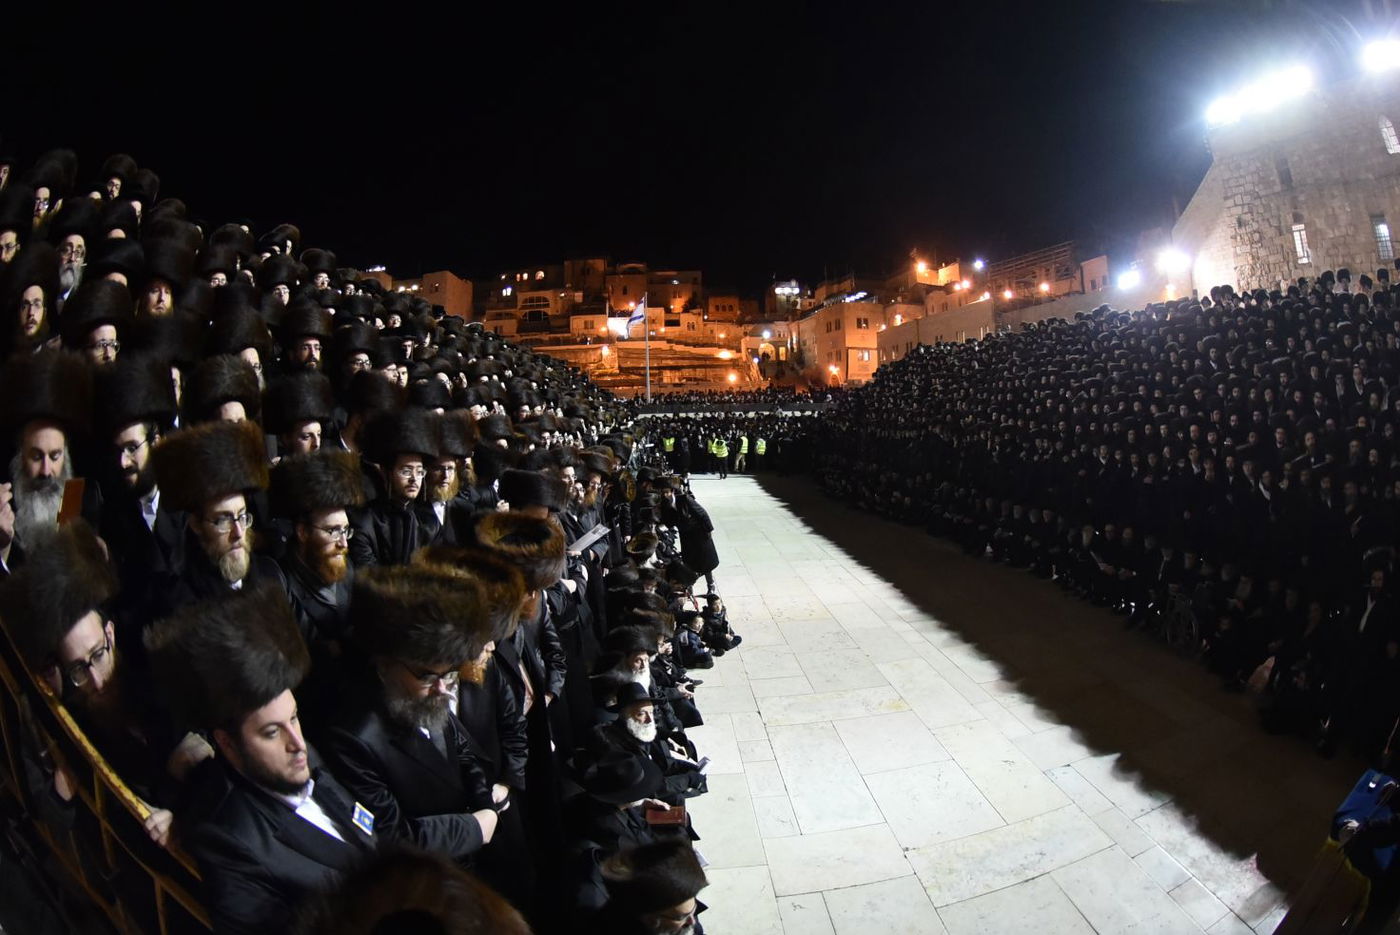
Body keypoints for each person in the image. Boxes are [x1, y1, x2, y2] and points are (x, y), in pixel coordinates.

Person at [144, 582, 375, 935]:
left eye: (294, 718)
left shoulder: (302, 756)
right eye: (271, 732)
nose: (297, 743)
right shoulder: (230, 844)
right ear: (228, 744)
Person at [322, 563, 502, 864]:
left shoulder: (427, 688)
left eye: (450, 675)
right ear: (384, 663)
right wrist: (474, 828)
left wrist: (486, 806)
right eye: (429, 677)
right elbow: (390, 835)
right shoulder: (352, 738)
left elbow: (462, 752)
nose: (445, 690)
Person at [150, 419, 285, 609]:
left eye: (242, 516)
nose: (238, 532)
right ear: (196, 524)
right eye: (224, 520)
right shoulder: (182, 605)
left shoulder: (271, 578)